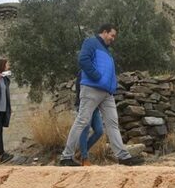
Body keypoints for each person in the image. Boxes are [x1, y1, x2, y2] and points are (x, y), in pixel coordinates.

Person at [59, 24, 143, 166]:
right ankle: (66, 157)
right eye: (112, 35)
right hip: (92, 88)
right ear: (104, 32)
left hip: (107, 93)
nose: (113, 39)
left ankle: (123, 156)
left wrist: (112, 85)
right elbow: (83, 60)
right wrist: (97, 77)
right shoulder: (91, 42)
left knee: (112, 123)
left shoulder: (107, 51)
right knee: (82, 121)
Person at [75, 76, 103, 166]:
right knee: (85, 129)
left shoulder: (99, 74)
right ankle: (84, 158)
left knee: (99, 131)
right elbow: (80, 90)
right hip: (85, 105)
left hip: (95, 107)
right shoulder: (83, 73)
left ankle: (81, 152)